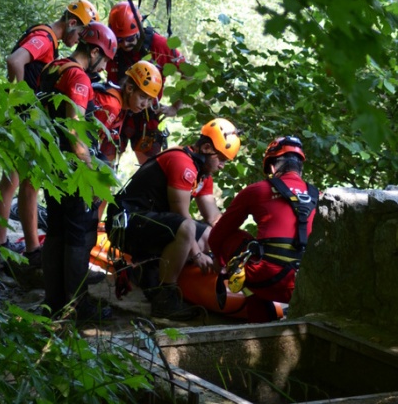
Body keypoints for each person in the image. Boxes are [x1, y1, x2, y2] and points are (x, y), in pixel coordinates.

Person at [0, 0, 99, 268]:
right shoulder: (45, 38)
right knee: (28, 182)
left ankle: (0, 245)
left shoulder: (49, 42)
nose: (80, 39)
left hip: (18, 116)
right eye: (81, 33)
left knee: (11, 181)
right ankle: (31, 249)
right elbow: (15, 61)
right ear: (72, 23)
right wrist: (21, 102)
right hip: (22, 117)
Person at [106, 118, 241, 319]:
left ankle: (150, 271)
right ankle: (165, 297)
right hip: (126, 224)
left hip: (149, 223)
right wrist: (197, 255)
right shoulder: (182, 163)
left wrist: (232, 249)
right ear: (205, 147)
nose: (222, 165)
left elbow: (213, 217)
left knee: (208, 235)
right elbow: (181, 214)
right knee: (187, 227)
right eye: (221, 159)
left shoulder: (203, 174)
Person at [38, 21, 117, 322]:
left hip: (51, 163)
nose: (105, 66)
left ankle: (54, 302)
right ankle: (76, 305)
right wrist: (90, 173)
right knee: (81, 233)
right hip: (72, 168)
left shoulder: (54, 67)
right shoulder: (78, 77)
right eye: (105, 59)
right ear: (94, 51)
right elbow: (74, 130)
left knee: (58, 229)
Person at [208, 135, 319, 323]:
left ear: (273, 167)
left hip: (268, 280)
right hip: (309, 283)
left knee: (233, 240)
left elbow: (217, 236)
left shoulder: (257, 190)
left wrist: (221, 264)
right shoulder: (319, 196)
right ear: (300, 167)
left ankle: (259, 317)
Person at [106, 1, 186, 164]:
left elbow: (189, 73)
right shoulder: (111, 46)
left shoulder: (159, 46)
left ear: (139, 30)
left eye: (129, 39)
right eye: (118, 39)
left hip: (147, 115)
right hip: (116, 111)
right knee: (103, 166)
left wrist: (176, 107)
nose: (123, 45)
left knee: (150, 169)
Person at [91, 60, 163, 165]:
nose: (144, 104)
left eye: (149, 100)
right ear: (129, 88)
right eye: (142, 97)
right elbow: (88, 137)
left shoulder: (122, 105)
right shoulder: (113, 105)